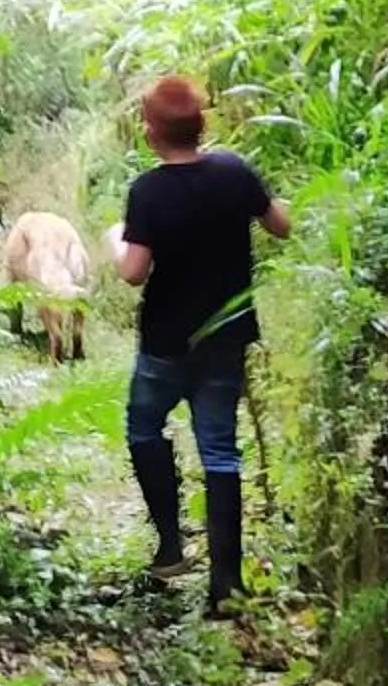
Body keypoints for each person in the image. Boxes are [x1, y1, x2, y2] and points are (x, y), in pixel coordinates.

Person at [113, 74, 290, 615]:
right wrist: (262, 197)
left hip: (166, 343)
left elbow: (133, 273)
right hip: (226, 337)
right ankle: (226, 586)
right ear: (202, 124)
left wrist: (115, 241)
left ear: (151, 132)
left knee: (144, 426)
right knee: (220, 450)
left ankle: (170, 547)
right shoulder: (234, 170)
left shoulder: (148, 191)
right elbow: (280, 225)